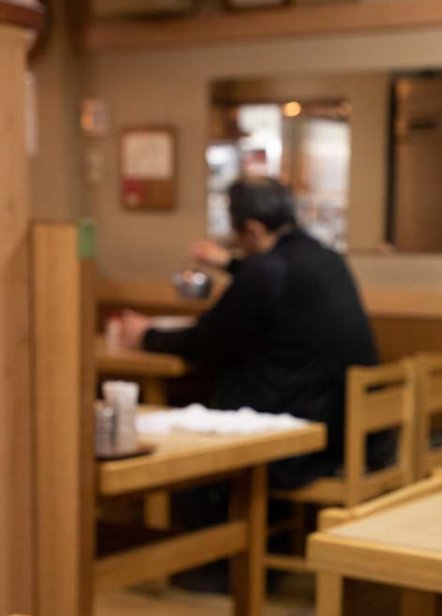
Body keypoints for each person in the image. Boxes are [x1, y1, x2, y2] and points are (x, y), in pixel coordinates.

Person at [119, 177, 381, 490]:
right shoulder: (324, 257)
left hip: (295, 440)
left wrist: (146, 336)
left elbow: (210, 340)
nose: (235, 241)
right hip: (342, 427)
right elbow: (276, 287)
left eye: (237, 233)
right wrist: (231, 264)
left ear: (253, 229)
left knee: (190, 473)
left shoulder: (266, 270)